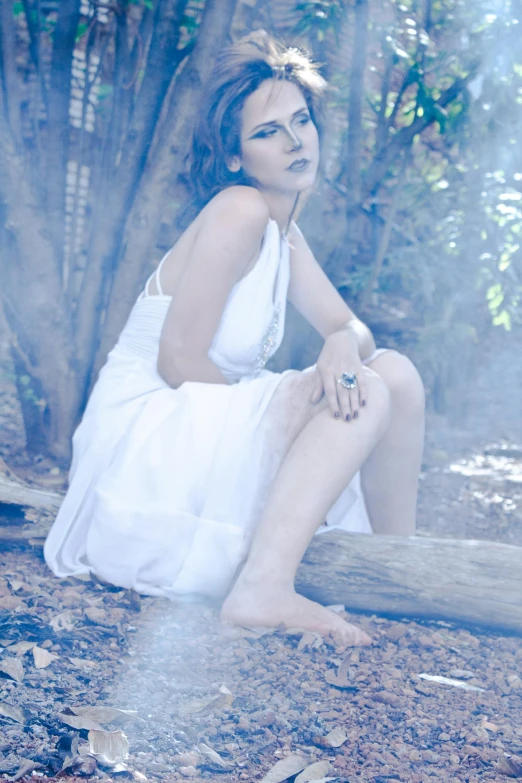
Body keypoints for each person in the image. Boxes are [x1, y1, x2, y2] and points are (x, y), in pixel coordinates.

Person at [44, 30, 425, 647]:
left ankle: (399, 565)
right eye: (268, 132)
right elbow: (177, 359)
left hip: (202, 417)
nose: (296, 141)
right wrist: (271, 422)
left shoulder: (284, 233)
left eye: (301, 120)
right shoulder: (240, 209)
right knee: (366, 393)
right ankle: (263, 589)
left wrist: (339, 344)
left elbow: (351, 327)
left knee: (395, 374)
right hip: (151, 430)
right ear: (233, 156)